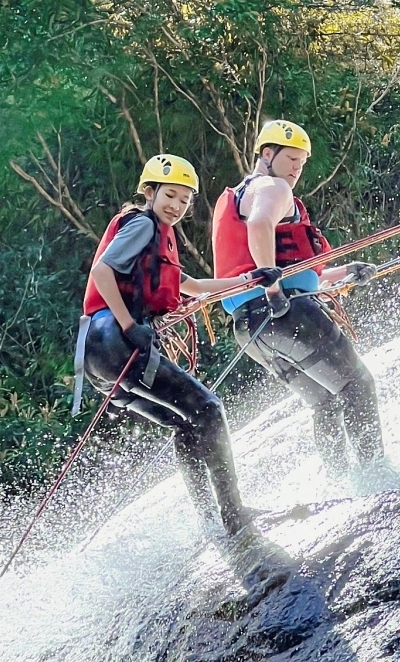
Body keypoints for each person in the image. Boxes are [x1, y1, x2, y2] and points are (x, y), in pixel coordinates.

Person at [74, 154, 280, 536]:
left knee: (186, 423)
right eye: (170, 195)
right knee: (209, 408)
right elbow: (101, 271)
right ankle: (234, 516)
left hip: (96, 355)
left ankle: (210, 520)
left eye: (185, 200)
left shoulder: (154, 239)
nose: (177, 206)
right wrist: (129, 324)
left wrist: (252, 280)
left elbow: (197, 288)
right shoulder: (142, 225)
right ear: (149, 192)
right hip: (115, 339)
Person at [211, 120, 384, 477]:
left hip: (250, 328)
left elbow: (295, 270)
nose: (296, 168)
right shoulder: (272, 187)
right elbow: (261, 229)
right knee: (358, 385)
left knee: (325, 402)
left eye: (302, 162)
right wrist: (274, 291)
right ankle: (376, 476)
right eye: (291, 158)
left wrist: (345, 271)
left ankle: (339, 480)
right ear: (267, 154)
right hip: (285, 311)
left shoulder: (235, 196)